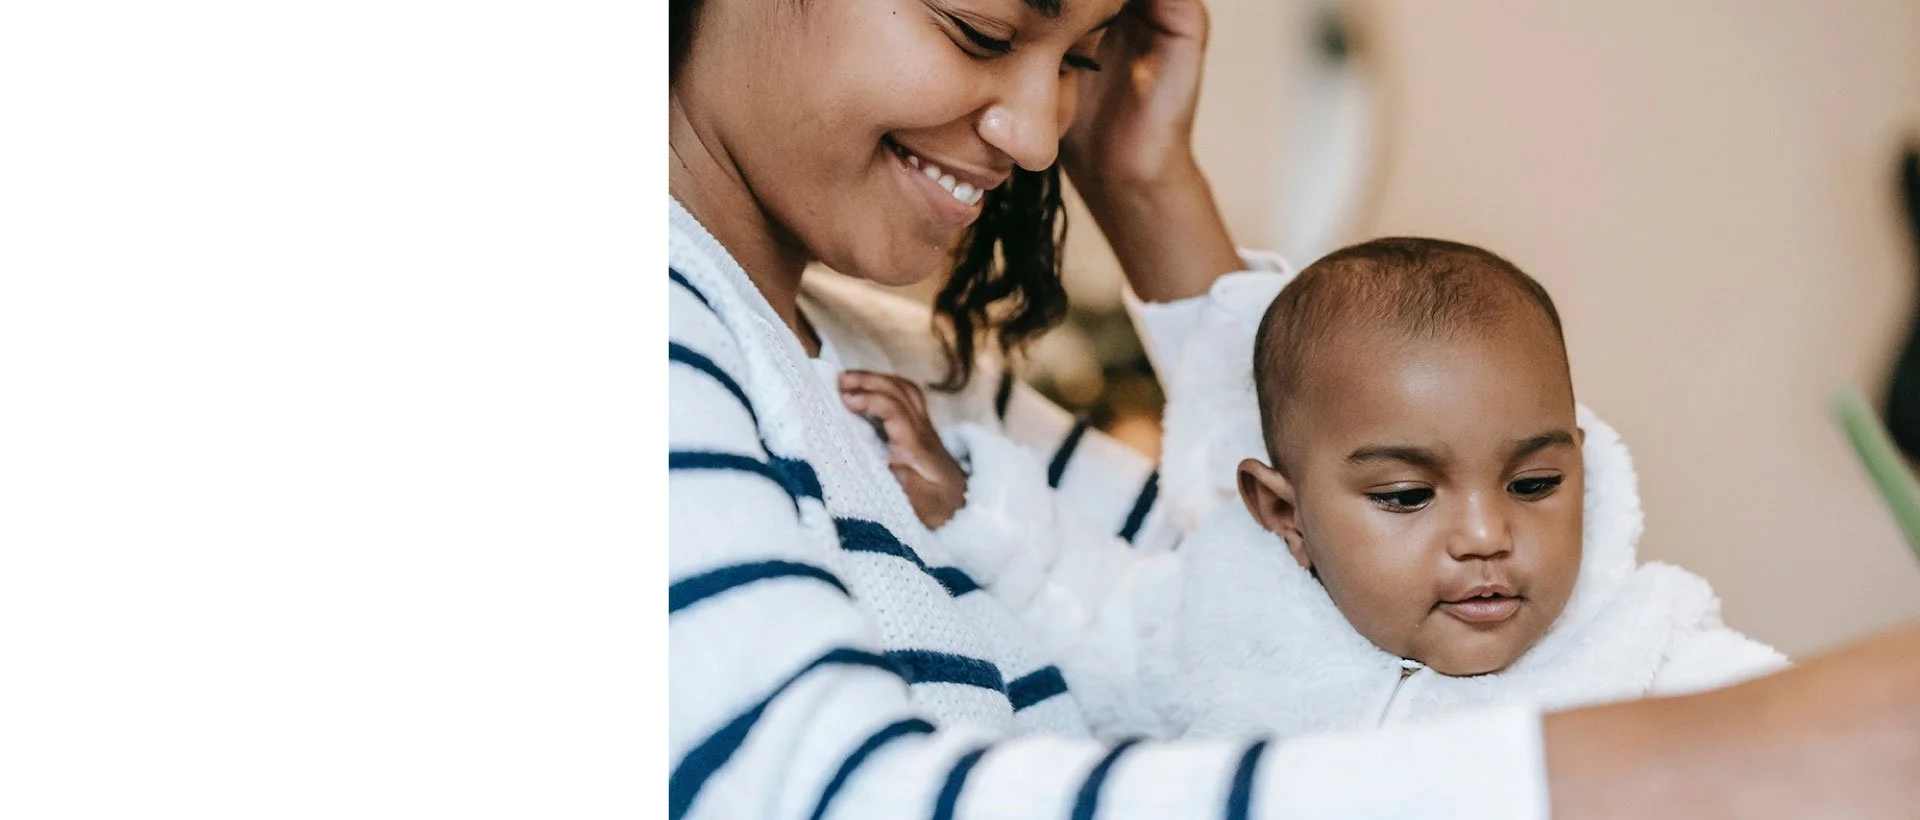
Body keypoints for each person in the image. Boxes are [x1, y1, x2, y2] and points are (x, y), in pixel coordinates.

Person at [667, 0, 1920, 816]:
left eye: (1084, 61)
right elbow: (812, 794)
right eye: (984, 30)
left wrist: (1148, 185)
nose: (1042, 135)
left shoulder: (911, 368)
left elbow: (1265, 607)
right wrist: (1734, 756)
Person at [908, 237, 1788, 743]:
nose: (1485, 533)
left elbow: (1810, 742)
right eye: (1407, 496)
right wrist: (973, 505)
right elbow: (1085, 616)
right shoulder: (1227, 625)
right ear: (1283, 514)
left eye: (1535, 482)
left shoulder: (1651, 650)